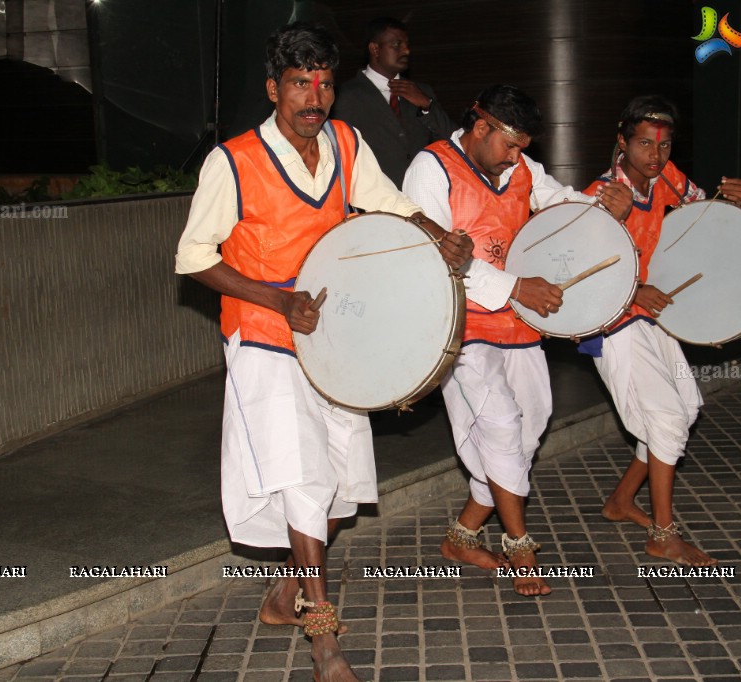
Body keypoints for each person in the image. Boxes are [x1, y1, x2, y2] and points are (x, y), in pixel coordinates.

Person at [174, 22, 472, 682]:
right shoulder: (233, 161)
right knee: (304, 478)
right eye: (300, 83)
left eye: (324, 83)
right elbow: (192, 258)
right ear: (272, 88)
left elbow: (385, 201)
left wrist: (435, 235)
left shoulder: (344, 140)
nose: (314, 96)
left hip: (334, 333)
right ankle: (323, 635)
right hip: (262, 333)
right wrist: (277, 301)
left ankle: (285, 592)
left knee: (338, 489)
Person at [403, 85, 632, 596]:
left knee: (528, 428)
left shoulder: (522, 167)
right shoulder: (431, 167)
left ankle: (462, 535)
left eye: (522, 147)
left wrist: (602, 204)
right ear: (480, 128)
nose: (516, 156)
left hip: (518, 323)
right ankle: (519, 543)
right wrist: (514, 286)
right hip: (458, 327)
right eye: (510, 144)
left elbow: (560, 203)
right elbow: (433, 254)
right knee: (501, 427)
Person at [577, 95, 741, 567]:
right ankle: (662, 533)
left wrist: (728, 203)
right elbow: (579, 271)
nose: (656, 155)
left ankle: (620, 502)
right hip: (613, 322)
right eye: (645, 144)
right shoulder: (601, 196)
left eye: (665, 145)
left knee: (684, 409)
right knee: (667, 421)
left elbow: (700, 212)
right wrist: (634, 293)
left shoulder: (665, 178)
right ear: (622, 141)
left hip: (651, 315)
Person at [331, 16, 454, 188]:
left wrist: (427, 106)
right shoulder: (345, 96)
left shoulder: (422, 92)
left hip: (421, 193)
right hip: (371, 201)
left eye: (407, 45)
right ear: (375, 49)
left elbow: (453, 144)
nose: (406, 51)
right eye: (397, 44)